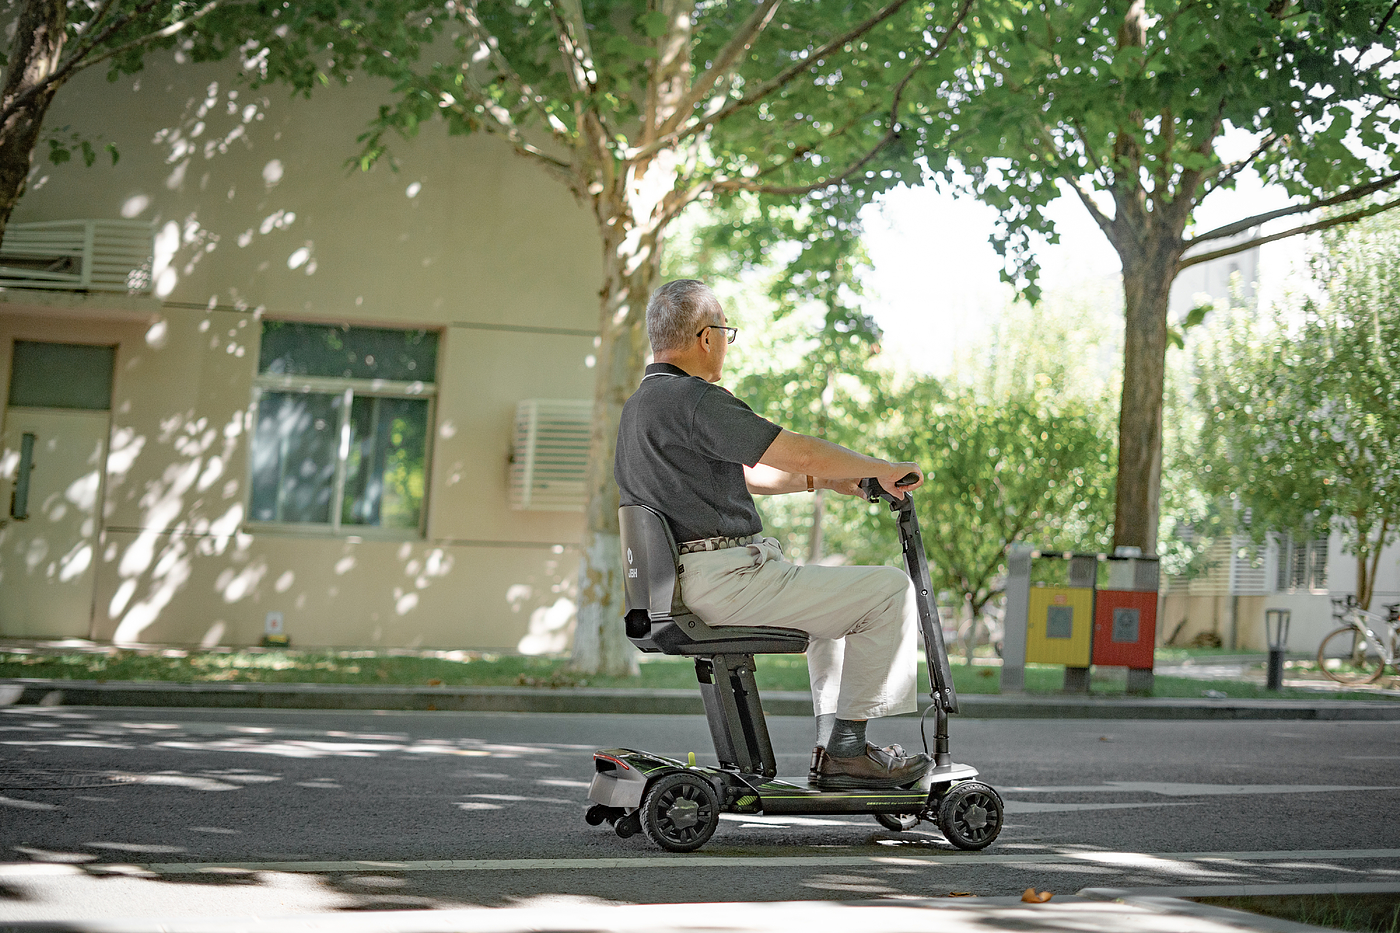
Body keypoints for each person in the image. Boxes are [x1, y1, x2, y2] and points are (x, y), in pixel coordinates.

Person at [614, 278, 934, 790]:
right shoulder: (695, 399)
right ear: (705, 336)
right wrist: (881, 466)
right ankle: (849, 752)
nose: (725, 344)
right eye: (725, 332)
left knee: (842, 610)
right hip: (725, 580)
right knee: (889, 590)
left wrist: (837, 479)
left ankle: (837, 749)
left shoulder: (643, 407)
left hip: (684, 581)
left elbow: (744, 475)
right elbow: (794, 450)